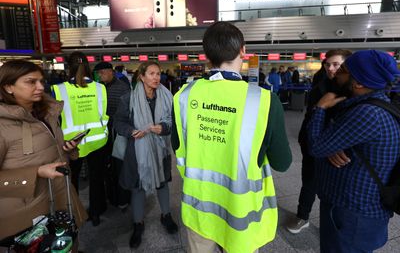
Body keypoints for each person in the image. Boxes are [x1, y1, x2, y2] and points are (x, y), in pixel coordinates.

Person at [172, 22, 292, 253]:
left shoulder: (183, 96)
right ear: (243, 51)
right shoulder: (264, 101)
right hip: (240, 213)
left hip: (198, 207)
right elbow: (282, 163)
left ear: (206, 56)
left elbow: (178, 146)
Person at [308, 50, 400, 252]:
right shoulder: (369, 105)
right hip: (357, 211)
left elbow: (315, 146)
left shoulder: (367, 113)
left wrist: (320, 108)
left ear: (358, 83)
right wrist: (332, 145)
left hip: (353, 215)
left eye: (343, 69)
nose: (335, 72)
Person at [0, 60, 87, 247]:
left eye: (41, 80)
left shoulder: (46, 113)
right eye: (31, 82)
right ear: (8, 87)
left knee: (66, 244)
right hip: (26, 215)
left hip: (60, 200)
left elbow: (48, 151)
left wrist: (67, 150)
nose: (41, 86)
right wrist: (36, 172)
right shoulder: (2, 125)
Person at [114, 61, 178, 249]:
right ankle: (138, 223)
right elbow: (119, 122)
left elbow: (173, 121)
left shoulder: (167, 97)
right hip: (138, 150)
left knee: (163, 182)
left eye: (158, 74)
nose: (156, 77)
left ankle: (166, 215)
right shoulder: (128, 98)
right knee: (138, 186)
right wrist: (132, 131)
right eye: (151, 74)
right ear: (141, 76)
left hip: (161, 148)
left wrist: (164, 127)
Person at [287, 49, 352, 234]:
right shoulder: (320, 85)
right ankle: (303, 216)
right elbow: (310, 117)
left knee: (335, 187)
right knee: (309, 180)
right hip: (312, 142)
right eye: (327, 64)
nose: (330, 68)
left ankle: (334, 224)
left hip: (338, 148)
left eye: (336, 64)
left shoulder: (354, 88)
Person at [52, 52, 109, 227]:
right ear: (88, 66)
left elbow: (56, 119)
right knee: (97, 178)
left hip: (71, 144)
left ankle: (75, 214)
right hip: (97, 141)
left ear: (69, 67)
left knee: (72, 180)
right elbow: (103, 113)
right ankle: (96, 212)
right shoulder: (100, 88)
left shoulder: (59, 89)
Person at [93, 62, 131, 210]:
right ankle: (112, 196)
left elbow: (128, 113)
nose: (100, 76)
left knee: (118, 167)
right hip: (103, 135)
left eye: (102, 73)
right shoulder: (98, 88)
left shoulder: (122, 88)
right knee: (108, 169)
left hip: (117, 134)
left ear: (111, 72)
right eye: (99, 74)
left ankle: (122, 198)